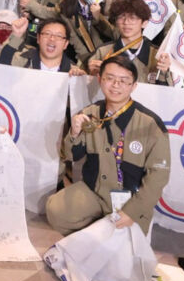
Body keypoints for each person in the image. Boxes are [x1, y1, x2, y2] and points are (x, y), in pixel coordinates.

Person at [46, 55, 169, 235]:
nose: (115, 85)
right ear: (99, 79)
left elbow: (158, 176)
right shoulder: (90, 113)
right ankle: (96, 234)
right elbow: (71, 156)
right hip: (95, 192)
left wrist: (133, 211)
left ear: (134, 86)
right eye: (110, 78)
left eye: (123, 81)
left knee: (126, 242)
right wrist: (74, 133)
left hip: (130, 199)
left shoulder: (150, 124)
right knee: (56, 211)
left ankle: (103, 231)